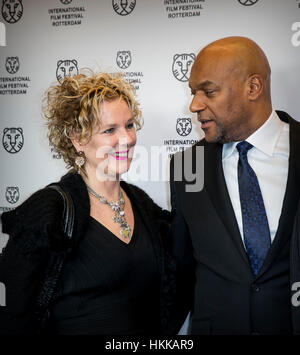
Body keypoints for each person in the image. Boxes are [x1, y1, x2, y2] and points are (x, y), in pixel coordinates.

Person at [0, 70, 176, 335]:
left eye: (129, 125)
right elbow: (14, 314)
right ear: (77, 138)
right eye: (109, 130)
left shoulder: (142, 204)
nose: (127, 139)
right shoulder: (49, 210)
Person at [170, 36, 300, 335]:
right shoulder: (187, 166)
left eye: (208, 91)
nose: (194, 105)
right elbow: (181, 268)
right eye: (193, 92)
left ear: (253, 87)